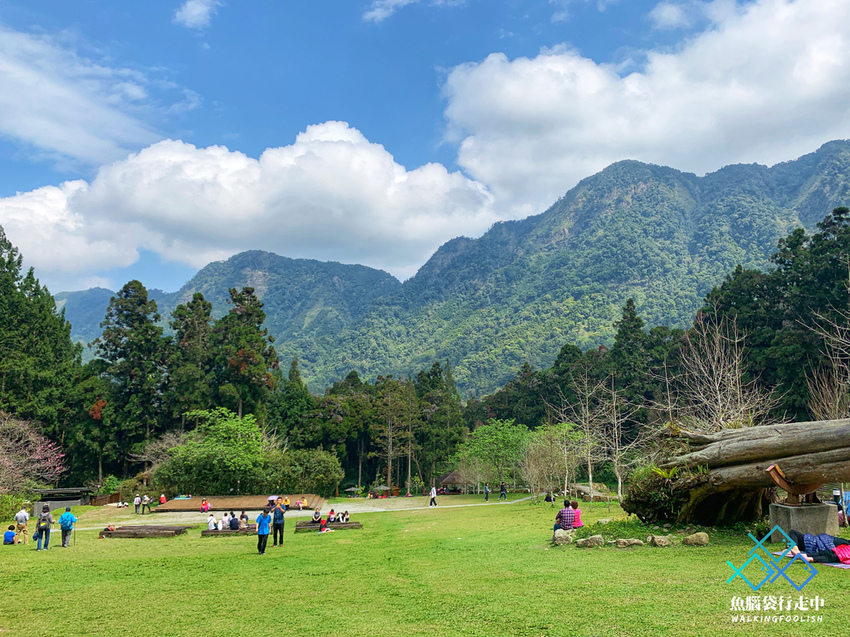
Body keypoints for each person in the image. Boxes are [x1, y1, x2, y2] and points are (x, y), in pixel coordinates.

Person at [785, 530, 850, 564]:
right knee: (832, 554)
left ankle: (808, 557)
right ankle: (804, 555)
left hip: (834, 545)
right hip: (827, 542)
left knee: (833, 555)